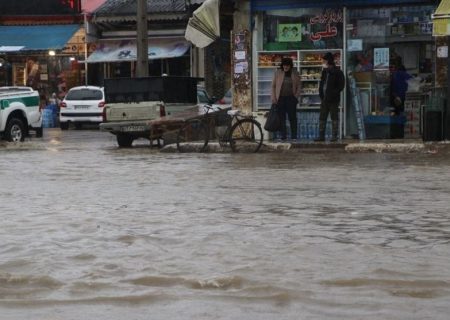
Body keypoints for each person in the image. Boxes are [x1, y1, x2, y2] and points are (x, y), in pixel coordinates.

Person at [315, 52, 345, 142]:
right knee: (322, 117)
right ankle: (321, 136)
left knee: (334, 117)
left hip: (333, 99)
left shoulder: (338, 72)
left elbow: (341, 85)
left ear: (328, 61)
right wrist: (321, 93)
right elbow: (322, 84)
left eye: (324, 60)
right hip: (324, 99)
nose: (323, 62)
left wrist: (333, 93)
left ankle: (334, 136)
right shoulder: (324, 72)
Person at [271, 57, 301, 140]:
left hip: (291, 98)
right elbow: (273, 86)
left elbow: (299, 86)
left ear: (290, 66)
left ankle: (294, 136)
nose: (285, 67)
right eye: (284, 65)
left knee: (292, 118)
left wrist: (296, 97)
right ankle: (283, 136)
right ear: (282, 65)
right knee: (281, 118)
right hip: (280, 98)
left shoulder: (295, 73)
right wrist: (274, 98)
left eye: (287, 65)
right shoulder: (278, 73)